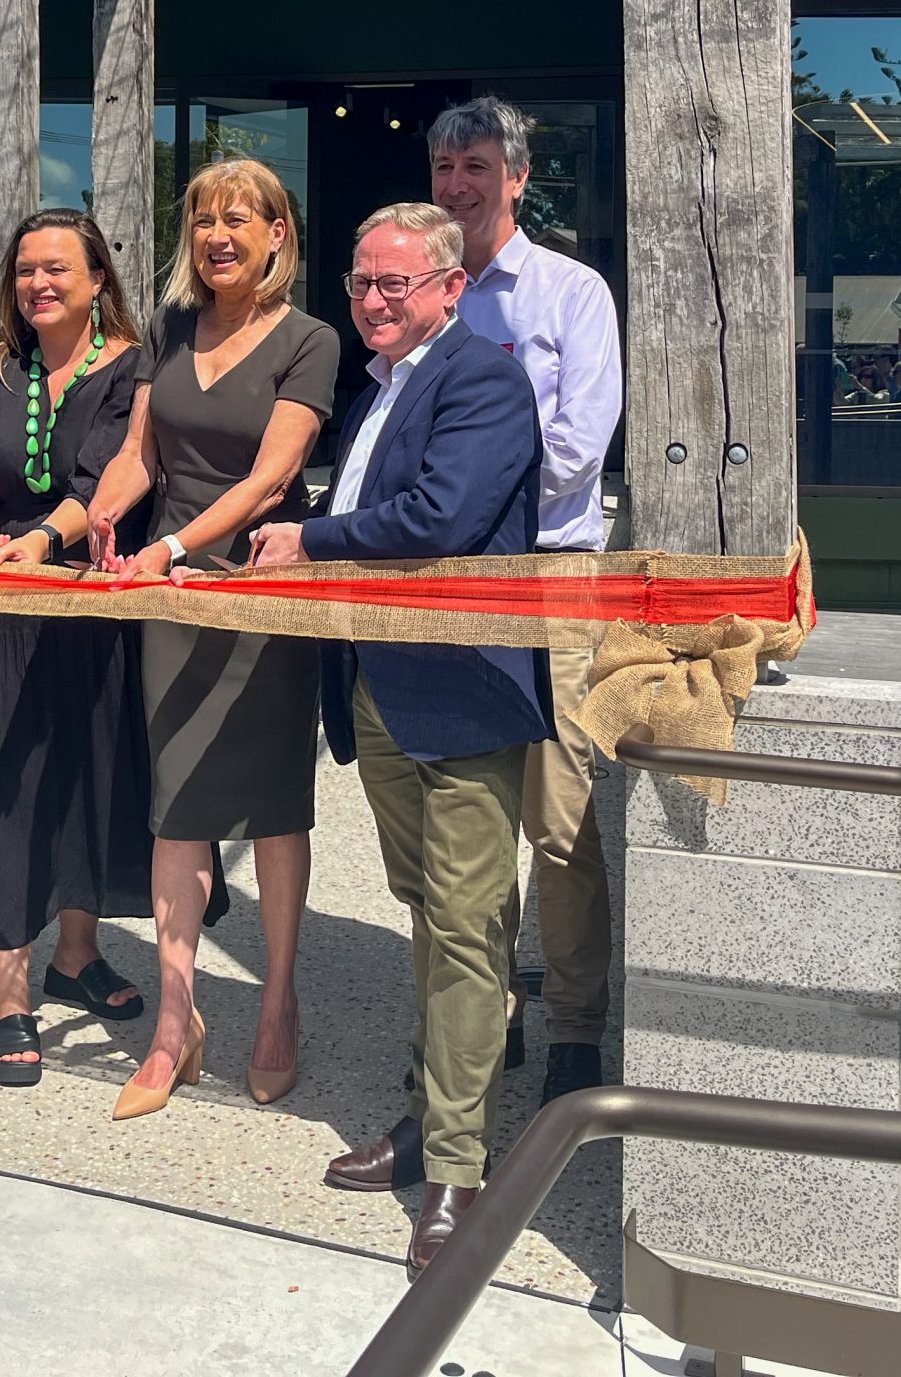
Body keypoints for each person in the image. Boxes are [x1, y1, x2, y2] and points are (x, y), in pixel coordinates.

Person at [249, 202, 547, 1279]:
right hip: (380, 685)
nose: (373, 301)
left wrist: (309, 540)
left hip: (461, 692)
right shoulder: (383, 387)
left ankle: (459, 1174)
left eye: (396, 284)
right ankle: (429, 1117)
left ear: (450, 288)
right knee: (428, 912)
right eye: (361, 283)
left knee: (467, 929)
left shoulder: (481, 378)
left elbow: (442, 518)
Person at [87, 157, 338, 1121]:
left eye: (241, 219)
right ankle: (174, 1023)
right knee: (175, 803)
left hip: (259, 585)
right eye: (203, 221)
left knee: (275, 807)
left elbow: (275, 480)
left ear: (279, 235)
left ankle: (277, 1005)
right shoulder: (170, 329)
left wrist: (174, 549)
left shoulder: (309, 340)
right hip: (168, 590)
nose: (219, 235)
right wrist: (107, 526)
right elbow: (138, 453)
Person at [0, 208, 163, 1088]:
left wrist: (48, 541)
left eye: (60, 269)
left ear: (99, 278)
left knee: (86, 778)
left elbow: (108, 478)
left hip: (94, 602)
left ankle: (75, 956)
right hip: (6, 606)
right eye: (27, 269)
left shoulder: (134, 367)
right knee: (11, 786)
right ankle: (8, 994)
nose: (41, 284)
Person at [426, 95, 624, 1104]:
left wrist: (455, 501)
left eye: (476, 165)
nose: (457, 183)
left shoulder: (571, 293)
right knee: (467, 809)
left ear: (516, 177)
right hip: (444, 583)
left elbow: (580, 446)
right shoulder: (422, 298)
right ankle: (487, 1007)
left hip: (546, 573)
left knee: (558, 817)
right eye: (444, 167)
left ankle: (577, 1030)